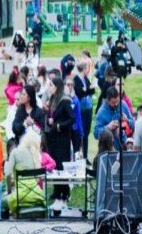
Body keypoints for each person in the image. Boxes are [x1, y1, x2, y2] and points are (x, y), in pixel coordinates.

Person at [45, 76, 75, 212]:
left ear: (57, 86)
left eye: (51, 85)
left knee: (62, 168)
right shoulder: (52, 100)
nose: (50, 87)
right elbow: (51, 116)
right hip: (53, 140)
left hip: (62, 139)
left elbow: (71, 119)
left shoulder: (64, 101)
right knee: (55, 167)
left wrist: (58, 125)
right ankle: (57, 194)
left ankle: (64, 196)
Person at [4, 130, 46, 216]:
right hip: (38, 196)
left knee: (1, 203)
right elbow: (38, 179)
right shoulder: (35, 155)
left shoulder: (15, 152)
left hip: (19, 196)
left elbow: (8, 174)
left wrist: (9, 190)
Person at [73, 60, 96, 159]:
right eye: (87, 68)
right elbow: (79, 92)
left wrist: (87, 89)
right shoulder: (76, 80)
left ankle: (86, 156)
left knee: (86, 133)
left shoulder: (86, 79)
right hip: (81, 110)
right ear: (84, 69)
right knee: (79, 134)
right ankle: (78, 155)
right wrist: (87, 90)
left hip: (88, 109)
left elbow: (93, 90)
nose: (88, 70)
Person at [65, 77, 84, 159]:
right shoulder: (63, 98)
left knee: (76, 152)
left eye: (71, 85)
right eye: (68, 84)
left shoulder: (75, 99)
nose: (70, 87)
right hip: (65, 127)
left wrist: (81, 132)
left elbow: (78, 116)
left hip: (74, 128)